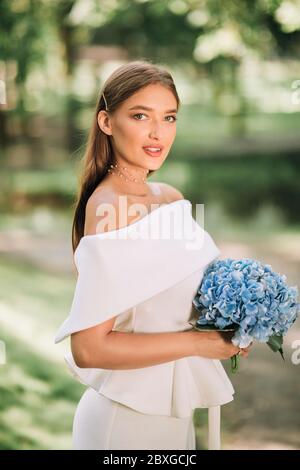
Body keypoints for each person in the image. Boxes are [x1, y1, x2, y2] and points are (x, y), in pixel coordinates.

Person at [54, 60, 250, 450]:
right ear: (107, 123)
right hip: (124, 425)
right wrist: (198, 344)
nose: (158, 132)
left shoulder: (171, 197)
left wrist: (238, 315)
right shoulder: (110, 209)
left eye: (169, 116)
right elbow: (89, 348)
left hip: (173, 420)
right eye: (140, 115)